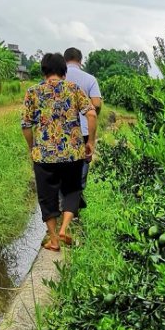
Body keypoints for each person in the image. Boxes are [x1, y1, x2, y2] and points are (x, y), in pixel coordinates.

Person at [21, 52, 96, 251]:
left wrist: (32, 147)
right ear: (63, 71)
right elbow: (91, 113)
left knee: (47, 197)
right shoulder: (74, 89)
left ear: (44, 71)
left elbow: (26, 125)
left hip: (44, 154)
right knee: (72, 190)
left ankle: (54, 240)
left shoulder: (33, 92)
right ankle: (64, 228)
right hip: (73, 152)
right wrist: (91, 142)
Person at [63, 47, 102, 209]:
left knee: (63, 163)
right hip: (84, 130)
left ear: (65, 60)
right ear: (80, 61)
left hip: (62, 130)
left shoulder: (58, 77)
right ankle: (77, 195)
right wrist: (92, 113)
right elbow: (97, 104)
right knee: (83, 163)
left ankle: (64, 198)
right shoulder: (90, 79)